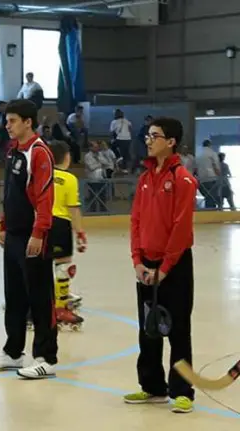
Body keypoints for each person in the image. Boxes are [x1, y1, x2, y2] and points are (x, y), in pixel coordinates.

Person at [125, 117, 197, 414]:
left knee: (178, 328)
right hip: (147, 265)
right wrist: (138, 261)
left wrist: (164, 268)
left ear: (170, 142)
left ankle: (182, 391)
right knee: (148, 328)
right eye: (148, 135)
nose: (148, 140)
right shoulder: (144, 179)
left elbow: (181, 228)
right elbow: (136, 221)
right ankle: (153, 387)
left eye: (155, 136)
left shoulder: (183, 180)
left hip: (175, 265)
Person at [0, 99, 58, 379]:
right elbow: (9, 192)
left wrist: (39, 232)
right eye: (7, 120)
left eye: (12, 120)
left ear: (28, 122)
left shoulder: (39, 153)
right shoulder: (13, 151)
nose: (7, 125)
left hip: (33, 236)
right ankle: (14, 353)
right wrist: (3, 224)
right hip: (13, 234)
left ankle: (46, 356)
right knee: (13, 296)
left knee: (39, 296)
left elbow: (45, 197)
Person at [48, 140, 87, 329]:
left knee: (41, 267)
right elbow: (73, 209)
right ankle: (60, 308)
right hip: (60, 224)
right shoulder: (69, 179)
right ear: (67, 157)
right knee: (62, 265)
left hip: (40, 223)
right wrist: (80, 233)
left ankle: (39, 305)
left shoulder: (41, 175)